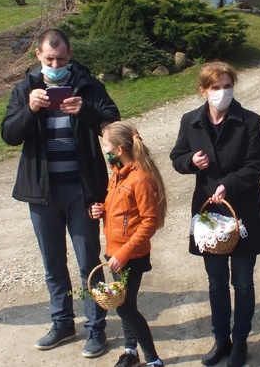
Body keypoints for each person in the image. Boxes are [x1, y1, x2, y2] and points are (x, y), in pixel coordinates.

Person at [0, 29, 120, 356]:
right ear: (38, 56)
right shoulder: (25, 88)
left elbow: (113, 124)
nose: (56, 64)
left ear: (70, 56)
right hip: (42, 192)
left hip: (81, 189)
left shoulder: (88, 84)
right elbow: (9, 135)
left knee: (88, 264)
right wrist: (29, 110)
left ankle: (96, 328)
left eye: (62, 59)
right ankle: (63, 322)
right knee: (53, 264)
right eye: (50, 59)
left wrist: (85, 110)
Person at [170, 62, 260, 367]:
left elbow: (257, 165)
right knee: (215, 282)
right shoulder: (191, 122)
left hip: (243, 212)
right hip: (209, 215)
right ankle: (220, 340)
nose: (223, 92)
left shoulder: (249, 121)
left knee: (241, 281)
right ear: (203, 91)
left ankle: (240, 341)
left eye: (227, 86)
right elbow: (176, 157)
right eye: (216, 88)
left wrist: (229, 183)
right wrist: (190, 161)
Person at [89, 121, 167, 367]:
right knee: (124, 302)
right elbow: (122, 211)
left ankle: (153, 360)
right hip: (115, 253)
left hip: (130, 256)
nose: (104, 149)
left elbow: (149, 221)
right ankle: (130, 351)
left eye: (106, 145)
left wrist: (124, 253)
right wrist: (101, 210)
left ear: (120, 148)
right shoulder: (117, 173)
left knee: (124, 308)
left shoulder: (140, 178)